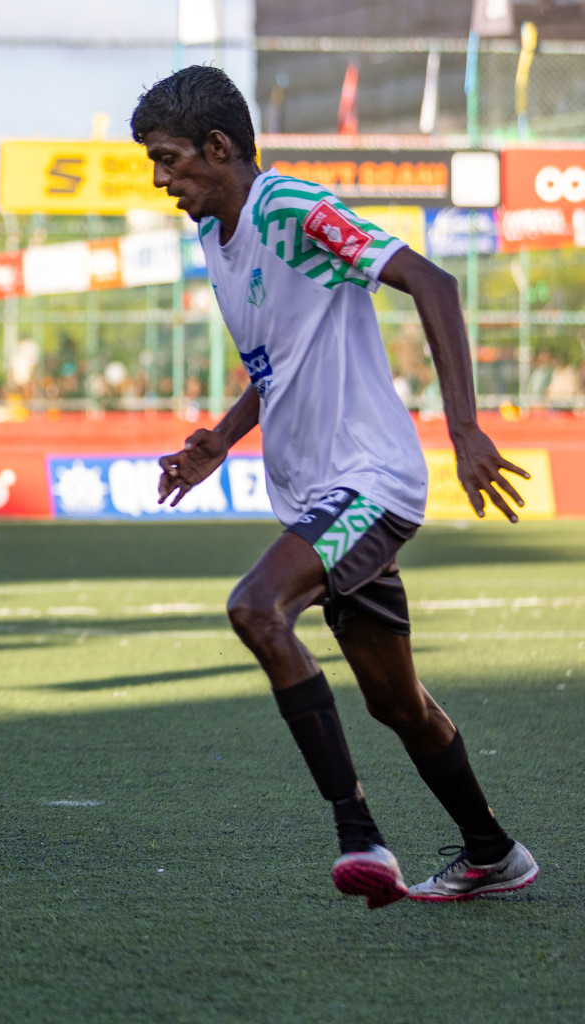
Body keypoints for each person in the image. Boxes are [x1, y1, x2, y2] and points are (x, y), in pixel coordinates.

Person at [133, 66, 537, 908]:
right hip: (316, 495)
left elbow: (433, 280)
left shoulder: (289, 208)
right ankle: (493, 852)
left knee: (256, 608)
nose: (161, 180)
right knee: (400, 705)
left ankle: (361, 838)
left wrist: (464, 427)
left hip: (369, 483)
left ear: (218, 147)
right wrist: (218, 441)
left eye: (169, 159)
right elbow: (275, 363)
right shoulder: (215, 236)